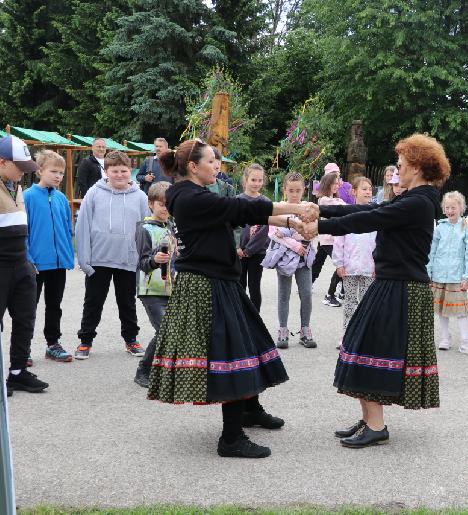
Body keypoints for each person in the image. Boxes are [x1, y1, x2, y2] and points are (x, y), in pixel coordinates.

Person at [147, 138, 318, 459]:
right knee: (232, 354)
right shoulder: (185, 196)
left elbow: (239, 215)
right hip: (206, 286)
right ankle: (231, 438)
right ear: (193, 167)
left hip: (221, 281)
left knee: (249, 343)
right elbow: (241, 208)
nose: (217, 166)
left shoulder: (198, 193)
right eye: (211, 161)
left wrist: (292, 222)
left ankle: (250, 409)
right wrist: (298, 208)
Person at [298, 133, 448, 449]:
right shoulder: (412, 199)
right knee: (359, 345)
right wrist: (321, 210)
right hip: (392, 285)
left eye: (401, 164)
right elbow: (363, 211)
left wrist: (319, 226)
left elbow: (371, 218)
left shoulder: (419, 202)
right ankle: (370, 419)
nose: (397, 170)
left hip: (402, 288)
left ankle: (376, 425)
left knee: (366, 347)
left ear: (418, 167)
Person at [74, 150, 150, 360]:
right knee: (93, 301)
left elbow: (147, 229)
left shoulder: (141, 197)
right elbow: (83, 226)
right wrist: (84, 258)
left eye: (124, 171)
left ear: (130, 172)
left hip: (128, 259)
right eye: (114, 171)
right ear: (106, 171)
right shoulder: (94, 193)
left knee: (127, 302)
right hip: (99, 259)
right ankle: (85, 340)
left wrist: (144, 260)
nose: (119, 175)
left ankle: (131, 339)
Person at [0, 135, 49, 394]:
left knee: (25, 320)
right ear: (2, 162)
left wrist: (28, 262)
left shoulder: (15, 184)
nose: (23, 172)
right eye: (19, 166)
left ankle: (17, 372)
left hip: (21, 263)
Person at [24, 150, 75, 363]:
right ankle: (23, 348)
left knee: (55, 305)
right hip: (34, 264)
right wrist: (28, 258)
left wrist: (68, 256)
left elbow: (66, 228)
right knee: (28, 308)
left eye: (61, 173)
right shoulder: (26, 197)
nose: (58, 176)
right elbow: (22, 231)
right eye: (54, 171)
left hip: (58, 264)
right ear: (40, 171)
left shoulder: (62, 198)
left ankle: (52, 344)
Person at [264, 172, 317, 349]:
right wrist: (294, 242)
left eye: (298, 190)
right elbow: (273, 233)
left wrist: (289, 233)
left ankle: (305, 329)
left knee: (306, 294)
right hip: (285, 257)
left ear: (304, 190)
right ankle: (283, 330)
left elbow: (311, 230)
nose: (295, 194)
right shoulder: (279, 207)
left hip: (304, 256)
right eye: (291, 190)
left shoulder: (308, 207)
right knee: (283, 295)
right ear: (285, 190)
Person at [133, 182, 176, 388]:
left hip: (171, 288)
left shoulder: (171, 227)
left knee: (171, 330)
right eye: (161, 204)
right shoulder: (144, 228)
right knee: (165, 330)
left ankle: (163, 369)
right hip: (150, 290)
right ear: (151, 204)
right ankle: (144, 370)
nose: (165, 208)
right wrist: (154, 260)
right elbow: (142, 262)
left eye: (169, 204)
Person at [427, 191, 468, 356]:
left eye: (453, 207)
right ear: (443, 209)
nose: (450, 210)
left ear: (461, 208)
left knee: (460, 311)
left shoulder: (467, 229)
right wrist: (429, 271)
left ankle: (465, 342)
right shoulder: (440, 227)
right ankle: (445, 338)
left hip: (457, 277)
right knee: (442, 309)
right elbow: (432, 252)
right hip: (439, 275)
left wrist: (467, 276)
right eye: (447, 207)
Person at [332, 177, 377, 349]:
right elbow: (339, 240)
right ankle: (347, 334)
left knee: (367, 303)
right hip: (349, 267)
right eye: (364, 188)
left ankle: (365, 335)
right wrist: (339, 263)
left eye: (370, 189)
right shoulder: (347, 212)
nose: (368, 192)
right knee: (350, 302)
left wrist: (377, 265)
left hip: (369, 267)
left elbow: (379, 241)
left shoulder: (375, 213)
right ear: (354, 191)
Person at [236, 164, 270, 313]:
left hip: (257, 252)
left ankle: (255, 319)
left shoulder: (266, 202)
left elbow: (264, 229)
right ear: (245, 179)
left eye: (260, 180)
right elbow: (232, 227)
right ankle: (240, 318)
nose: (256, 183)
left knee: (255, 286)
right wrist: (237, 247)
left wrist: (249, 250)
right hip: (238, 253)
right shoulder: (236, 200)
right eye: (253, 180)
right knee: (239, 285)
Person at [312, 164, 347, 307]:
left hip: (335, 239)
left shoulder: (337, 199)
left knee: (321, 261)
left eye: (337, 183)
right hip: (327, 240)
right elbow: (338, 207)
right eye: (333, 183)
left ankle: (340, 291)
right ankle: (330, 295)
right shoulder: (324, 200)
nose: (336, 185)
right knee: (342, 264)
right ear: (327, 184)